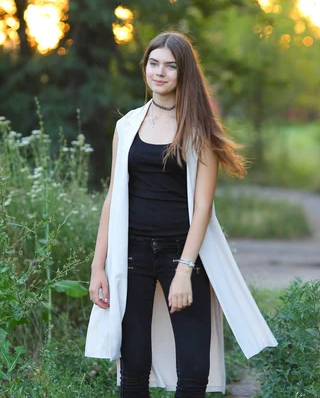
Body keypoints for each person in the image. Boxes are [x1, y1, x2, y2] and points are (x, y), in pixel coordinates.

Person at [84, 31, 277, 398]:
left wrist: (185, 270)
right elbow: (113, 197)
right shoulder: (126, 127)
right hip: (132, 255)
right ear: (145, 68)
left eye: (170, 66)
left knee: (193, 370)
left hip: (183, 254)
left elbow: (203, 206)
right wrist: (98, 266)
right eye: (153, 64)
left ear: (183, 73)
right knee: (133, 367)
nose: (160, 73)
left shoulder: (199, 130)